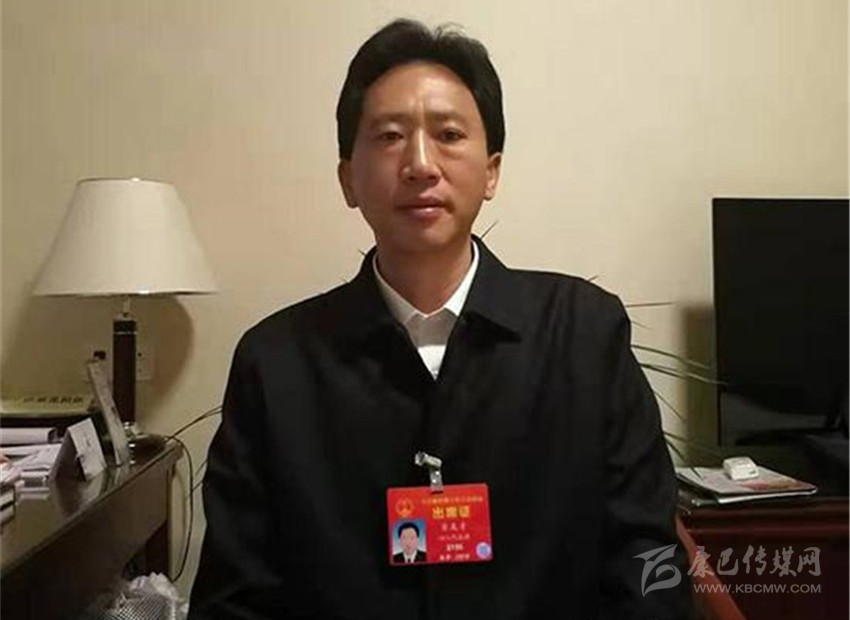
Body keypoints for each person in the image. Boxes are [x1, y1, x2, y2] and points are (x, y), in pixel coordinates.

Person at [189, 18, 692, 620]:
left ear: (492, 170)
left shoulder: (584, 335)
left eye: (449, 134)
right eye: (390, 136)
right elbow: (234, 595)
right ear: (348, 178)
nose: (421, 164)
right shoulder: (275, 363)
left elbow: (649, 557)